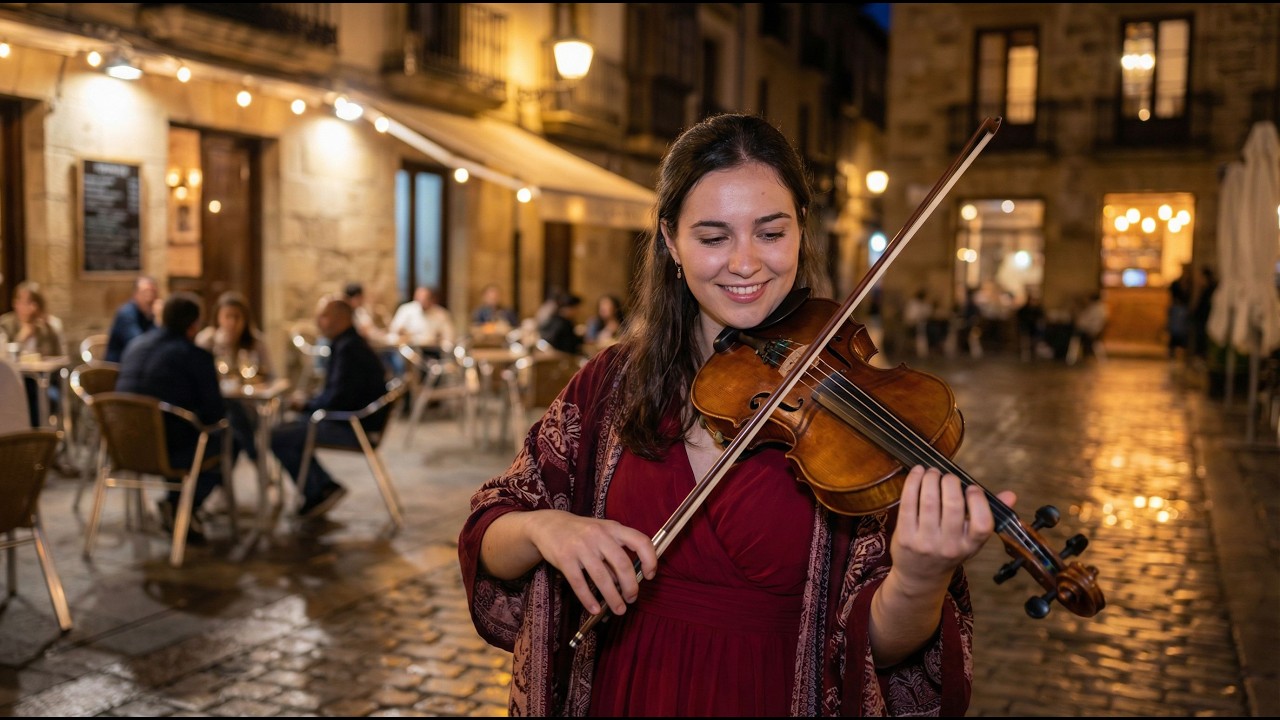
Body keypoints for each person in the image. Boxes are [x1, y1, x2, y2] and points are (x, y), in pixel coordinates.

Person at [458, 113, 1015, 716]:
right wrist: (546, 530)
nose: (745, 263)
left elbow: (876, 653)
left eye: (770, 233)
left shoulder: (858, 412)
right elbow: (489, 534)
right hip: (625, 693)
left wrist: (919, 580)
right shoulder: (610, 384)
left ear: (802, 229)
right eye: (714, 237)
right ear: (670, 241)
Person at [115, 291, 229, 545]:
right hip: (170, 451)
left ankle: (178, 507)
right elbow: (214, 414)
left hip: (124, 447)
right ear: (194, 325)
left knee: (177, 430)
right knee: (227, 438)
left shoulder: (135, 346)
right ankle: (181, 506)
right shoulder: (195, 356)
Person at [270, 295, 390, 520]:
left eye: (323, 316)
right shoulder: (347, 344)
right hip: (350, 419)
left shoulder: (349, 349)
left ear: (341, 318)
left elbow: (337, 400)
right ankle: (321, 487)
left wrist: (306, 404)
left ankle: (319, 490)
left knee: (277, 436)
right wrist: (310, 401)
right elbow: (339, 393)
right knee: (286, 429)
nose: (318, 321)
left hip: (353, 426)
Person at [195, 291, 273, 466]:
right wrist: (223, 346)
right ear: (218, 317)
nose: (232, 322)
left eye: (237, 317)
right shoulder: (207, 340)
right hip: (216, 405)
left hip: (250, 404)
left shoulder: (255, 342)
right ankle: (254, 457)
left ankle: (238, 467)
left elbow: (269, 374)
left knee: (237, 417)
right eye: (227, 316)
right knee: (233, 417)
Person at [0, 282, 65, 427]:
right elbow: (5, 357)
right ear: (15, 303)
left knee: (35, 391)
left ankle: (36, 440)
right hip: (14, 382)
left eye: (32, 302)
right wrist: (23, 336)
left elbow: (58, 357)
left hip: (44, 381)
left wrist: (42, 328)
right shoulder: (6, 324)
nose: (29, 307)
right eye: (23, 302)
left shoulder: (49, 326)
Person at [388, 285, 457, 360]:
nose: (421, 301)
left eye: (425, 298)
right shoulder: (406, 310)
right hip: (408, 352)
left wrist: (441, 341)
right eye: (419, 298)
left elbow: (449, 337)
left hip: (432, 353)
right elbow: (394, 330)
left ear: (432, 299)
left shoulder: (441, 314)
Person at [105, 275, 160, 363]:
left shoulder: (150, 314)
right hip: (117, 368)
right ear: (135, 294)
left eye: (153, 293)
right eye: (145, 292)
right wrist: (158, 321)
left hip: (139, 363)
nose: (149, 298)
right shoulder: (126, 314)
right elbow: (139, 345)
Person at [537, 291, 584, 355]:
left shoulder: (554, 318)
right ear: (569, 308)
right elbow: (569, 346)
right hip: (562, 357)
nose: (578, 311)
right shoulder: (564, 323)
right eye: (576, 308)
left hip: (551, 355)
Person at [1167, 265, 1193, 359]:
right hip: (1177, 311)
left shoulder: (1190, 284)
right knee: (1174, 332)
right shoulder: (1176, 283)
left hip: (1184, 311)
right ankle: (1172, 353)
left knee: (1184, 333)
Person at [1192, 266, 1218, 359]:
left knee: (1203, 341)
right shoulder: (1205, 289)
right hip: (1202, 320)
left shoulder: (1211, 290)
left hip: (1206, 320)